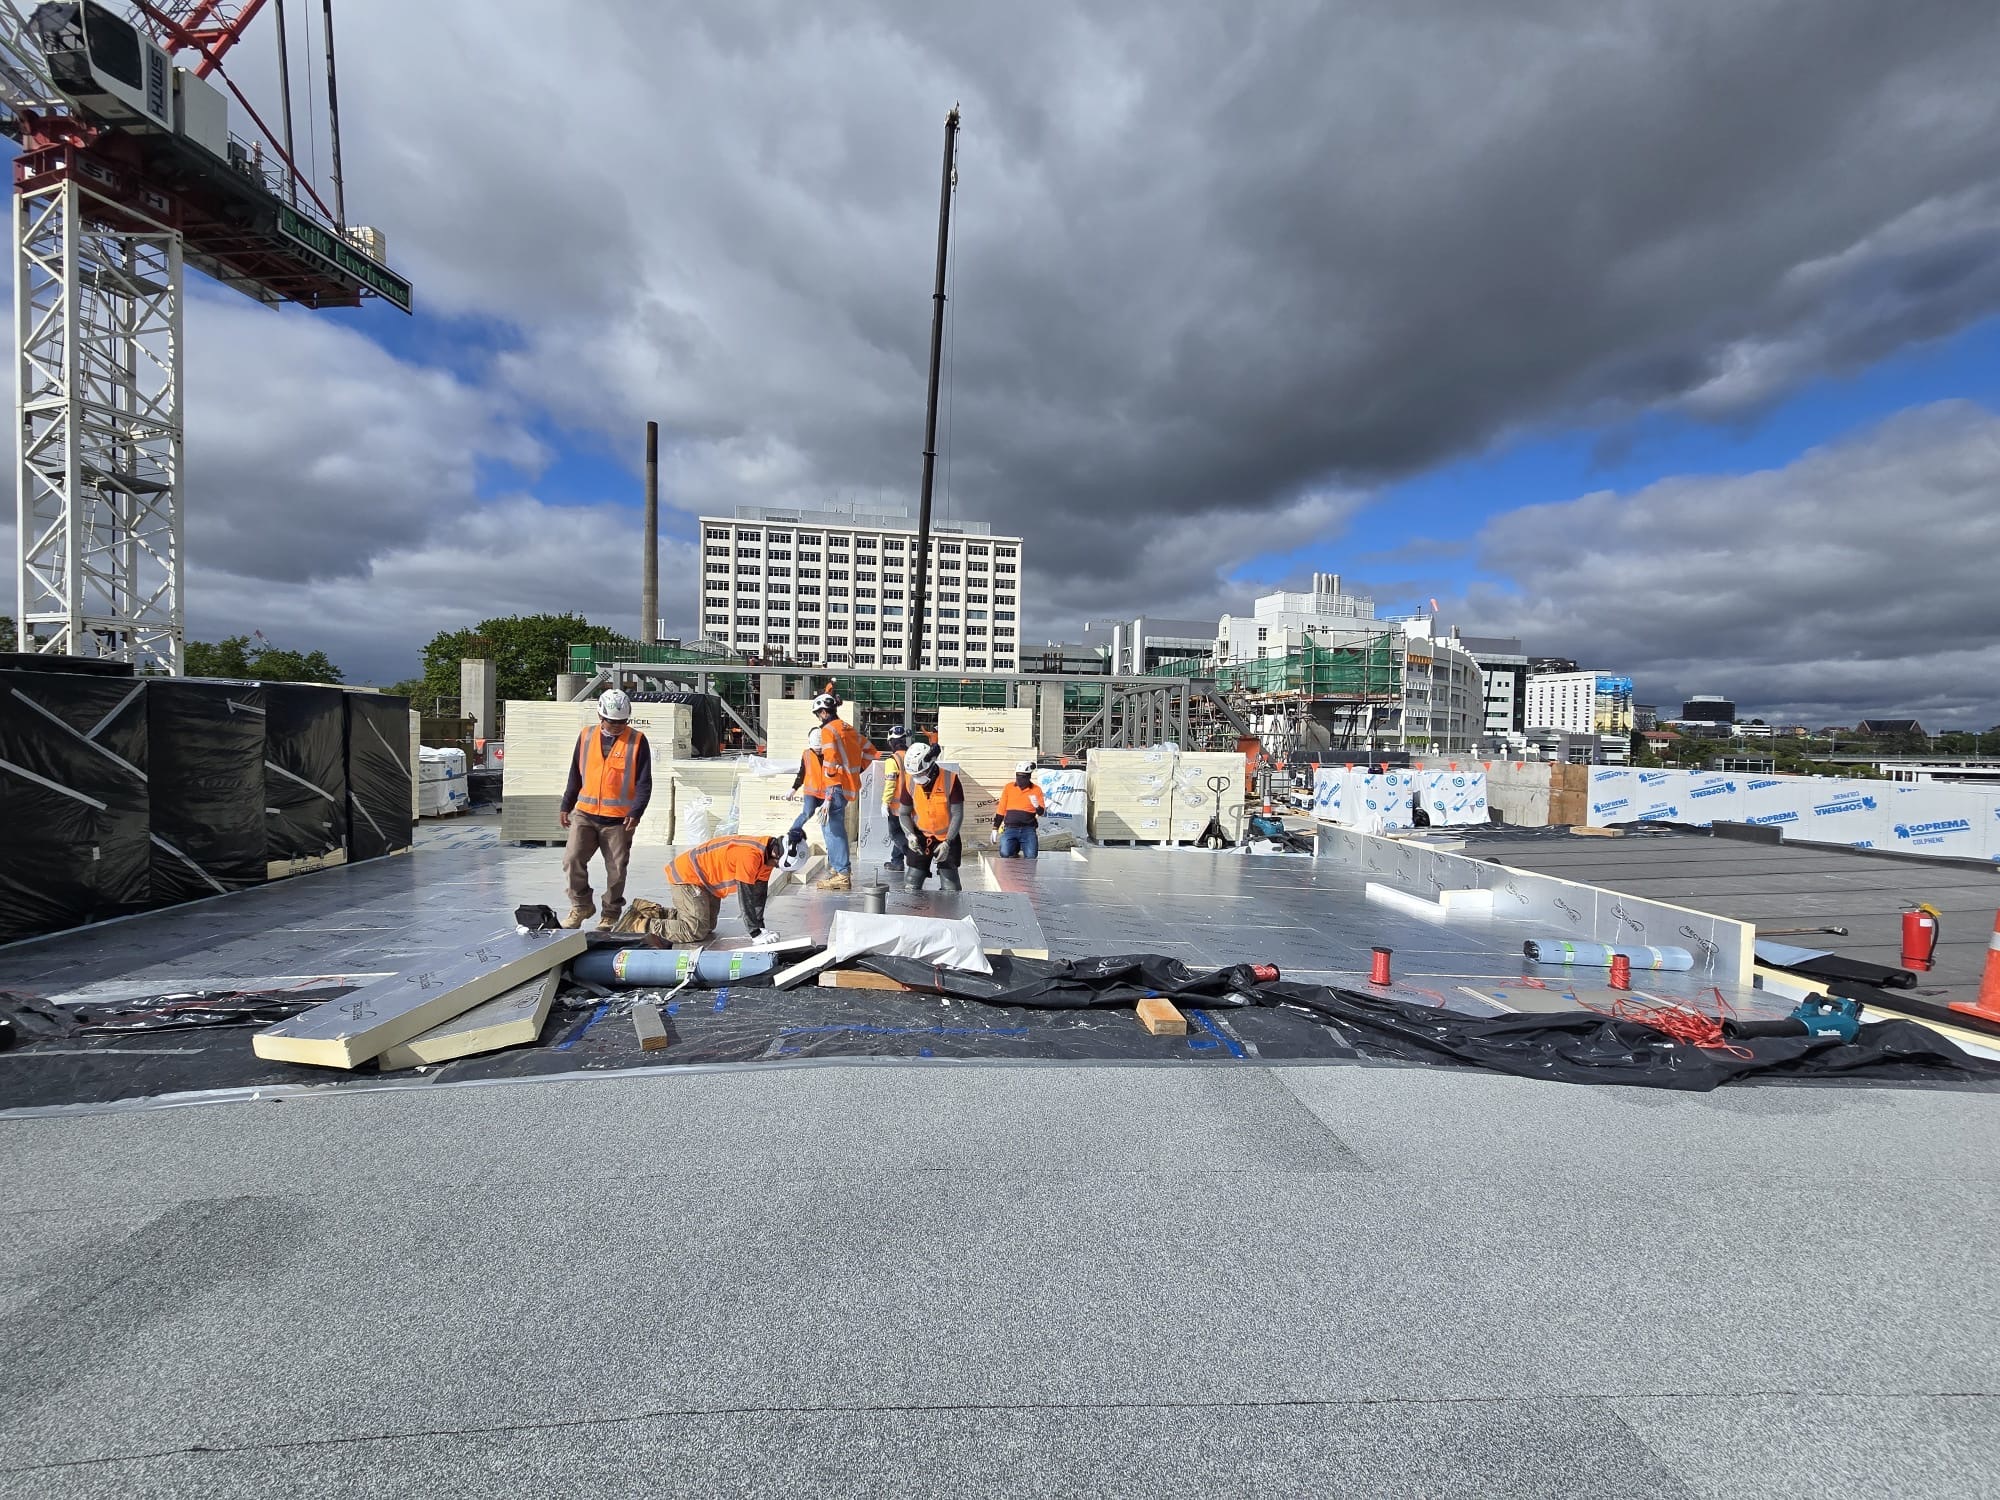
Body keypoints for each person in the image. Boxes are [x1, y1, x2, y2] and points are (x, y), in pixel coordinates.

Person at [559, 689, 651, 930]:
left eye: (623, 722)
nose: (618, 726)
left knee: (617, 870)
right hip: (585, 814)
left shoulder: (637, 741)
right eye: (613, 722)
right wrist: (566, 804)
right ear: (601, 717)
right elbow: (575, 774)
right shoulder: (586, 737)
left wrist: (636, 811)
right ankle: (581, 905)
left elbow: (644, 782)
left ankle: (610, 913)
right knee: (572, 859)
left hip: (619, 820)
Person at [789, 691, 877, 893]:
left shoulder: (828, 731)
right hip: (846, 786)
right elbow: (871, 752)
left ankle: (842, 874)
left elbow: (829, 763)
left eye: (818, 714)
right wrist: (854, 772)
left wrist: (828, 796)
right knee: (836, 829)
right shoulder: (849, 729)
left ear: (822, 712)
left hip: (834, 788)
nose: (818, 718)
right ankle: (841, 871)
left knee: (832, 831)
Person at [643, 834, 802, 944]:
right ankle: (641, 923)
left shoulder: (768, 857)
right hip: (688, 876)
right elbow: (745, 896)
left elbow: (758, 895)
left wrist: (761, 927)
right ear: (776, 853)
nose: (776, 868)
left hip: (706, 883)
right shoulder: (750, 856)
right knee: (695, 930)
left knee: (708, 926)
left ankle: (651, 911)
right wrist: (754, 933)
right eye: (778, 865)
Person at [897, 741, 964, 892]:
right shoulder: (910, 781)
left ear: (931, 766)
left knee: (950, 886)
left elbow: (957, 813)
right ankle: (913, 913)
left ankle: (949, 913)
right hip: (921, 836)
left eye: (920, 774)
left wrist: (947, 842)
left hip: (947, 837)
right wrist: (910, 835)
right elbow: (903, 813)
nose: (917, 778)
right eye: (914, 775)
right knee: (911, 884)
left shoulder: (950, 779)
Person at [993, 760, 1048, 859]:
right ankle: (1015, 846)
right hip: (1010, 828)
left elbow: (1042, 812)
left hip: (1028, 829)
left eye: (1023, 776)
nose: (1020, 779)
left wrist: (1037, 806)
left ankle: (1018, 844)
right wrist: (995, 828)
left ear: (1029, 776)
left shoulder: (1036, 789)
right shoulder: (1009, 787)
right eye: (1018, 775)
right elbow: (1001, 808)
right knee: (1005, 853)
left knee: (1031, 856)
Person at [882, 724, 914, 873]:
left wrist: (885, 802)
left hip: (897, 807)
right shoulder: (912, 756)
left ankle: (914, 859)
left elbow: (890, 783)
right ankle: (897, 862)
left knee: (895, 835)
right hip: (913, 804)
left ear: (892, 742)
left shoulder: (892, 760)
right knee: (904, 833)